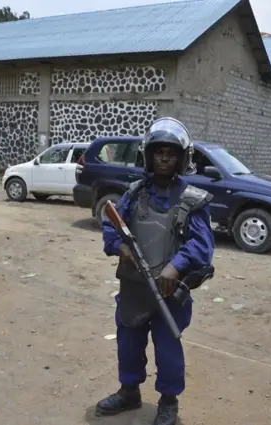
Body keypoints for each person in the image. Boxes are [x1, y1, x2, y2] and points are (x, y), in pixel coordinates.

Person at [96, 118, 215, 425]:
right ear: (148, 155)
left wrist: (175, 267)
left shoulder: (193, 200)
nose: (164, 158)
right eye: (159, 151)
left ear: (181, 158)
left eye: (171, 153)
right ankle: (129, 391)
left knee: (168, 351)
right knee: (128, 344)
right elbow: (110, 224)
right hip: (134, 289)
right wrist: (117, 247)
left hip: (168, 295)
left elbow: (202, 246)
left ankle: (168, 402)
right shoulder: (134, 193)